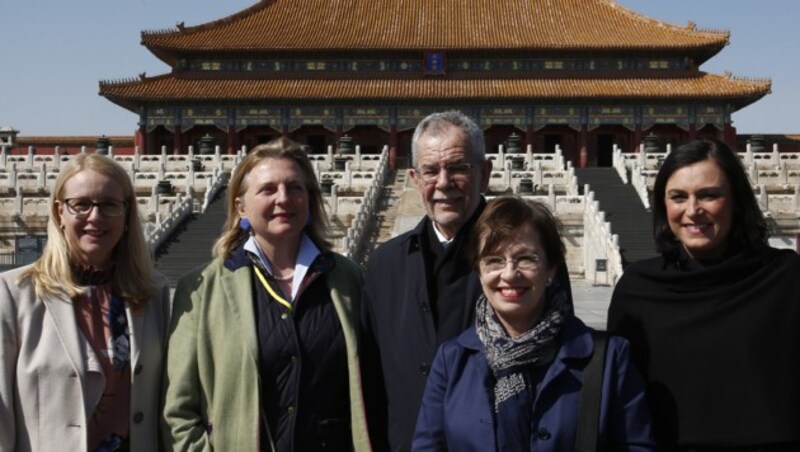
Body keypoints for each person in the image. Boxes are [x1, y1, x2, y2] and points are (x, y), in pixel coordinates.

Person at [161, 138, 371, 451]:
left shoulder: (346, 278)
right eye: (268, 189)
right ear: (240, 205)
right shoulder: (202, 288)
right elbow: (178, 410)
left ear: (310, 199)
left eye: (295, 188)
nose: (283, 199)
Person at [412, 196, 654, 451]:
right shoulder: (452, 360)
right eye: (494, 260)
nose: (509, 273)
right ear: (478, 271)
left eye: (526, 258)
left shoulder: (608, 358)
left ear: (551, 268)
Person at [607, 139, 800, 450]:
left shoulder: (786, 278)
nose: (692, 210)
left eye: (709, 195)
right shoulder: (639, 288)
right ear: (662, 205)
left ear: (736, 200)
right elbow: (620, 394)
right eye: (678, 197)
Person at [0, 154, 171, 451]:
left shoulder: (153, 294)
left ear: (127, 214)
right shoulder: (14, 294)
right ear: (59, 213)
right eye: (81, 204)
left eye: (109, 205)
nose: (95, 217)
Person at [360, 111, 493, 451]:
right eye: (431, 171)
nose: (444, 182)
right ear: (414, 179)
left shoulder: (520, 259)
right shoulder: (385, 265)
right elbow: (370, 380)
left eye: (459, 167)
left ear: (485, 173)